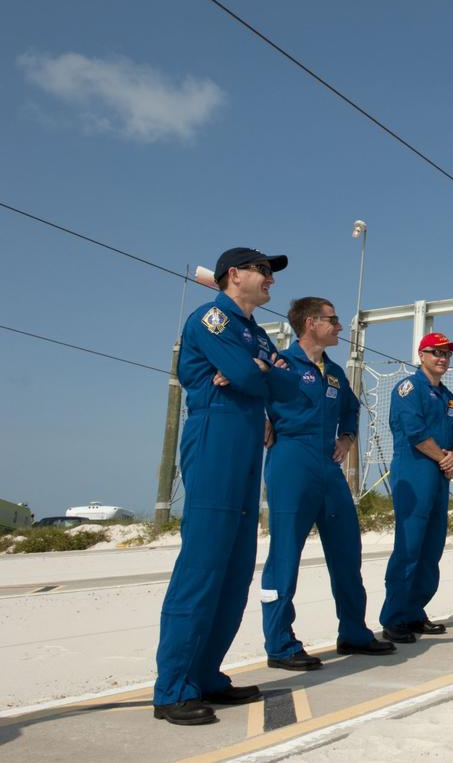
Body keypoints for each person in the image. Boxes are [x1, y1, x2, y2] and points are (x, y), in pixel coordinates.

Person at [153, 247, 299, 726]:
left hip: (245, 439)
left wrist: (251, 373)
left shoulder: (252, 331)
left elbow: (289, 382)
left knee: (236, 569)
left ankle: (207, 674)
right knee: (203, 566)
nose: (270, 280)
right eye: (263, 271)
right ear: (234, 275)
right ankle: (173, 688)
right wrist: (252, 371)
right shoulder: (211, 319)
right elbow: (247, 373)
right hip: (215, 434)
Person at [260, 297, 395, 670]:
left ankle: (353, 631)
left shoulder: (334, 372)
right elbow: (250, 390)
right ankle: (280, 643)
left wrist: (348, 437)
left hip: (328, 467)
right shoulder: (279, 364)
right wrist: (261, 419)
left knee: (347, 552)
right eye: (333, 320)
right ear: (309, 323)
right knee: (285, 556)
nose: (340, 327)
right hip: (291, 461)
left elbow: (351, 407)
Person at [379, 332, 453, 643]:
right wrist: (444, 459)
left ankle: (415, 611)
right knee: (410, 546)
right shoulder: (408, 388)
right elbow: (414, 431)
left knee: (432, 548)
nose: (442, 358)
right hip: (415, 471)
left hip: (441, 473)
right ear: (421, 355)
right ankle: (394, 617)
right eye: (435, 353)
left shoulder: (448, 396)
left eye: (447, 354)